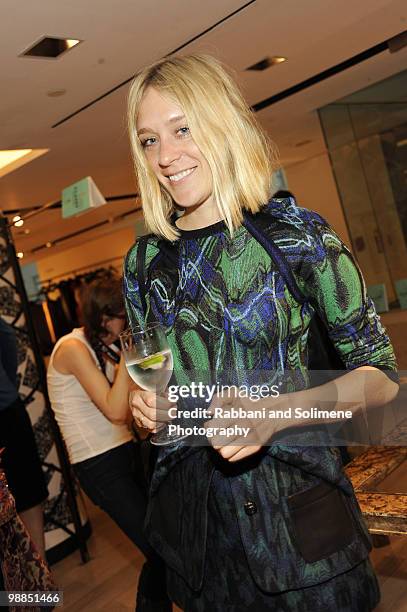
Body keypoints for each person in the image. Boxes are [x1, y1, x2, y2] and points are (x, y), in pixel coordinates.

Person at [124, 54, 398, 611]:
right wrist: (147, 408)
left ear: (223, 122)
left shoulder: (295, 236)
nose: (166, 156)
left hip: (306, 540)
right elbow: (164, 392)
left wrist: (279, 411)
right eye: (149, 140)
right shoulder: (144, 263)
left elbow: (383, 380)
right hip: (203, 554)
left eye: (182, 129)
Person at [46, 276, 170, 611]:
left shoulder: (106, 347)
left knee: (164, 547)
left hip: (125, 451)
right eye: (123, 317)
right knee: (159, 551)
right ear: (104, 318)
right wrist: (132, 356)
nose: (128, 323)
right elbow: (116, 411)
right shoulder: (72, 348)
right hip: (98, 465)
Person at [0, 316, 48, 560]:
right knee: (28, 494)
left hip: (7, 409)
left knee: (27, 495)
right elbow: (7, 339)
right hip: (7, 410)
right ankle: (42, 585)